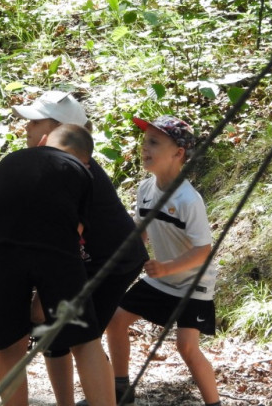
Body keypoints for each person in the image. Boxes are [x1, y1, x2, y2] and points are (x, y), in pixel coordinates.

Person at [0, 123, 116, 406]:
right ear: (86, 159)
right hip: (58, 252)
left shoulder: (5, 164)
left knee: (9, 347)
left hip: (2, 254)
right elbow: (77, 232)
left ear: (43, 140)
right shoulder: (81, 172)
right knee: (84, 341)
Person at [10, 91, 148, 406]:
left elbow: (66, 235)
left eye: (34, 121)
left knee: (81, 338)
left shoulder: (67, 168)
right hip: (90, 259)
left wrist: (42, 294)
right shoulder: (56, 164)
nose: (26, 127)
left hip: (112, 262)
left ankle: (110, 396)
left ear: (58, 129)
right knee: (55, 334)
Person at [106, 115, 221, 406]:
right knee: (116, 321)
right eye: (145, 141)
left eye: (155, 142)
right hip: (162, 279)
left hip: (193, 284)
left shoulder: (188, 199)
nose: (145, 147)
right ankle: (120, 391)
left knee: (187, 347)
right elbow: (140, 234)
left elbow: (203, 250)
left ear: (178, 153)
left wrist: (166, 267)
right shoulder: (146, 189)